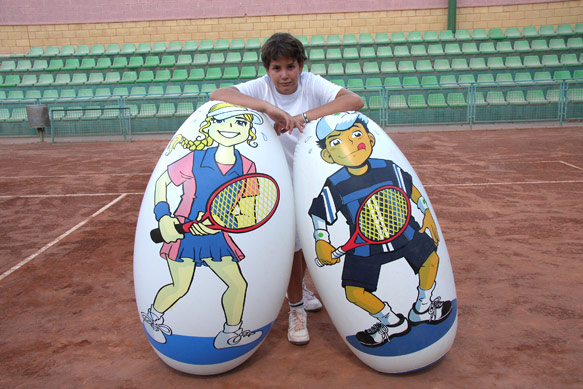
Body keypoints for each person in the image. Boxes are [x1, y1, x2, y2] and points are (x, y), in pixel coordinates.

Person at [211, 32, 364, 345]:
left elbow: (354, 101)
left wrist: (300, 117)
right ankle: (296, 309)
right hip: (274, 179)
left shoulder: (311, 83)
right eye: (276, 68)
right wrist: (268, 108)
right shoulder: (262, 87)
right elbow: (218, 94)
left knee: (308, 239)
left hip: (310, 174)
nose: (284, 75)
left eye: (290, 67)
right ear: (268, 69)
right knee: (293, 247)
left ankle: (300, 289)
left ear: (301, 65)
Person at [309, 112, 452, 347]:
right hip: (365, 246)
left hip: (403, 232)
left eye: (356, 135)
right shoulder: (335, 184)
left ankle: (423, 306)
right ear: (328, 155)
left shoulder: (388, 168)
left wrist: (425, 210)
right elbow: (319, 213)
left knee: (430, 259)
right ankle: (391, 321)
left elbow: (410, 190)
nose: (350, 145)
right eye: (337, 142)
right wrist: (321, 240)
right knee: (354, 292)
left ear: (370, 139)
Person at [141, 102, 266, 349]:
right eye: (224, 122)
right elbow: (162, 183)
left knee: (238, 284)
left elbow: (249, 212)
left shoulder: (248, 166)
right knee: (179, 286)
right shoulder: (194, 158)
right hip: (182, 233)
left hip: (215, 235)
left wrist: (223, 224)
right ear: (210, 127)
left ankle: (229, 333)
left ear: (248, 131)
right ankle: (153, 319)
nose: (232, 128)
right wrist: (164, 217)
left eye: (240, 123)